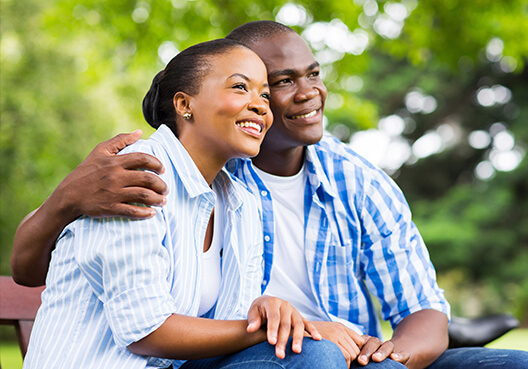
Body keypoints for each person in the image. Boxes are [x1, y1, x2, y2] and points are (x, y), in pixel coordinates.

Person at [13, 21, 528, 369]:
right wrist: (64, 199)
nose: (303, 95)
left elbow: (420, 307)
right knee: (312, 356)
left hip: (352, 354)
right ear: (187, 103)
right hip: (281, 355)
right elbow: (142, 323)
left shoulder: (269, 190)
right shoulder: (150, 174)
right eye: (266, 84)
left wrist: (379, 358)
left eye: (271, 88)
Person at [22, 38, 346, 369]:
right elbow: (145, 330)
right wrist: (266, 330)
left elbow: (231, 328)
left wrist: (267, 312)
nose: (261, 105)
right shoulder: (138, 173)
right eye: (239, 87)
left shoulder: (242, 203)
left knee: (356, 362)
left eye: (263, 94)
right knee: (314, 355)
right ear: (184, 104)